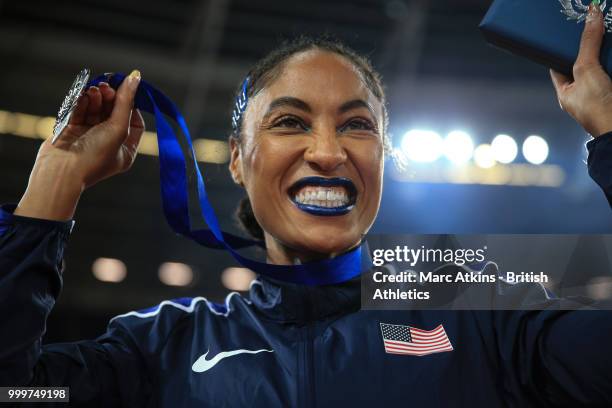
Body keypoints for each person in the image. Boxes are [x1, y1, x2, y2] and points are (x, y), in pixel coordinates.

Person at [2, 4, 612, 407]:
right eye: (291, 121)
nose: (327, 152)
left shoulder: (478, 307)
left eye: (357, 126)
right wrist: (53, 185)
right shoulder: (165, 345)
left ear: (383, 160)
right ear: (237, 160)